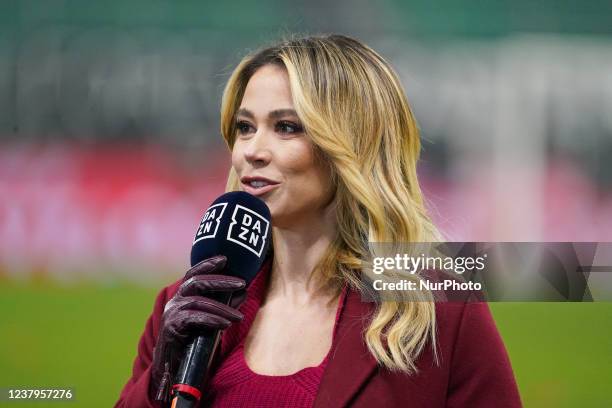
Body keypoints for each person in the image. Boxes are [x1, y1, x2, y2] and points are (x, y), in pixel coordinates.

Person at [115, 34, 522, 407]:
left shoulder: (438, 309)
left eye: (286, 127)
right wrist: (159, 384)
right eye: (244, 127)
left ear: (352, 144)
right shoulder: (187, 307)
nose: (252, 151)